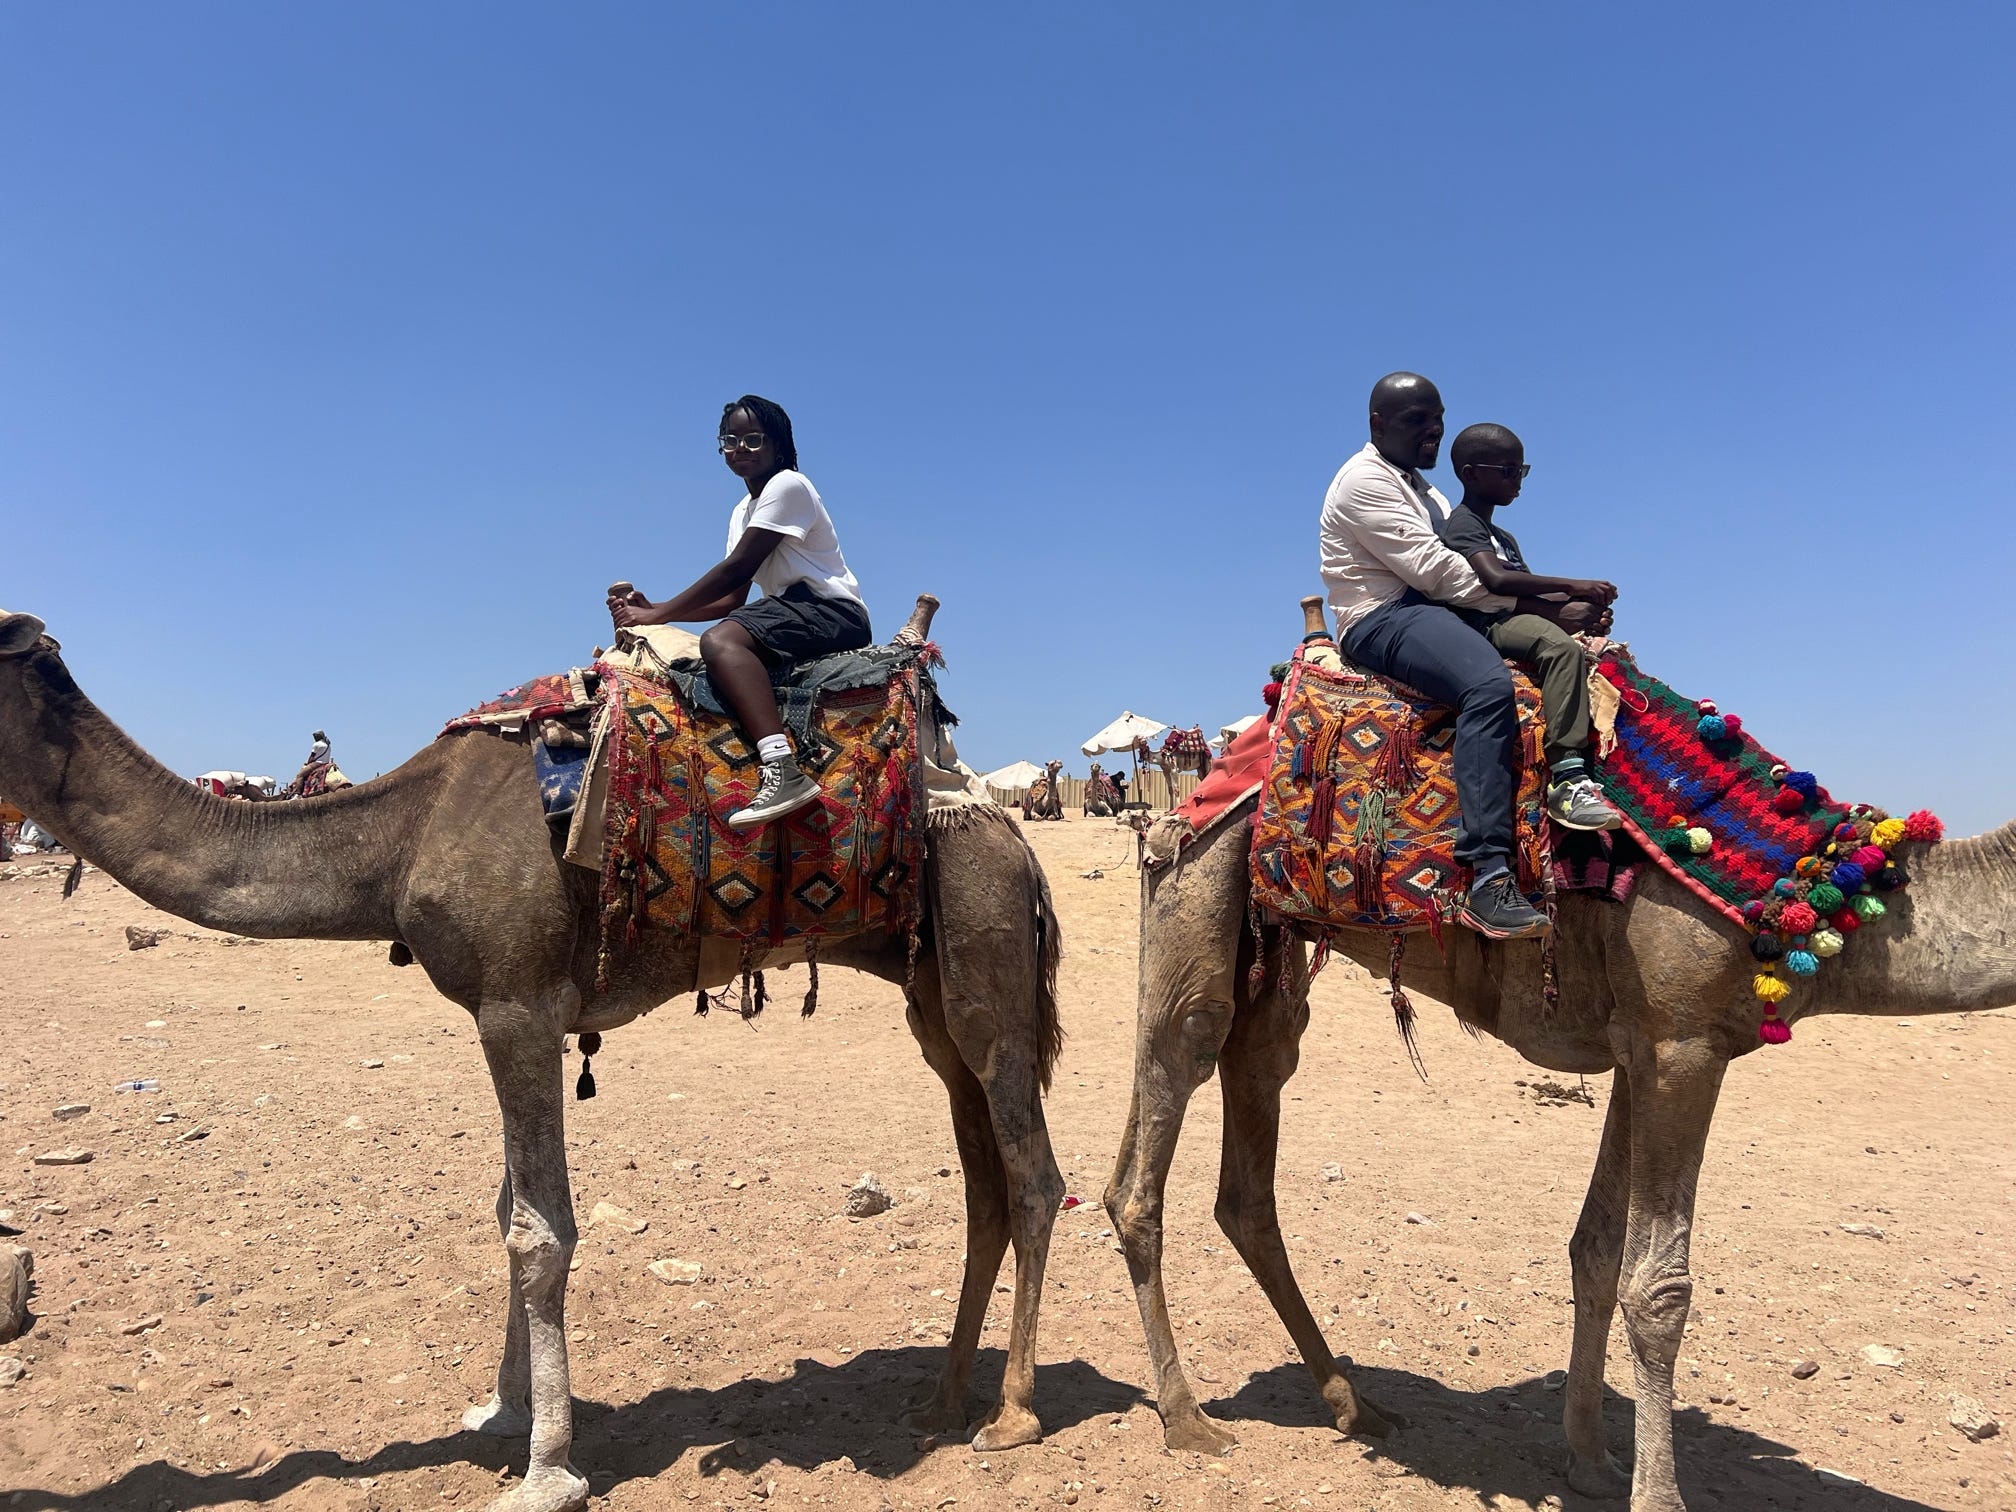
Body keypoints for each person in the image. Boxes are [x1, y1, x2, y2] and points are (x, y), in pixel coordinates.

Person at [1319, 373, 1609, 939]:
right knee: (1487, 686)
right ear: (1377, 423)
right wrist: (1550, 607)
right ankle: (1488, 876)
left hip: (1434, 609)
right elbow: (1439, 572)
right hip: (1384, 616)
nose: (1433, 431)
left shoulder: (1428, 493)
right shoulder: (1363, 483)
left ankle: (1571, 776)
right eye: (1416, 420)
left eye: (1438, 418)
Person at [610, 395, 871, 830]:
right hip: (789, 610)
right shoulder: (741, 511)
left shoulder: (789, 485)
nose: (739, 449)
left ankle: (781, 768)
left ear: (779, 447)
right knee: (718, 642)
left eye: (753, 440)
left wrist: (656, 615)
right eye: (730, 439)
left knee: (720, 641)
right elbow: (733, 600)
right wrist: (657, 610)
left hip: (831, 610)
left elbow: (738, 568)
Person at [1439, 423, 1621, 832]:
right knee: (1561, 649)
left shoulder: (1503, 536)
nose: (1517, 480)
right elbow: (1497, 581)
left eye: (1521, 470)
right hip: (1483, 623)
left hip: (1513, 616)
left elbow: (1529, 590)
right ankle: (1568, 777)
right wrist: (1572, 586)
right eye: (1507, 470)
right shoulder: (1463, 525)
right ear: (1471, 474)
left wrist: (1582, 608)